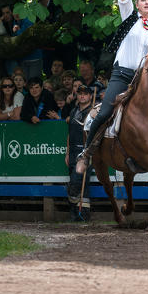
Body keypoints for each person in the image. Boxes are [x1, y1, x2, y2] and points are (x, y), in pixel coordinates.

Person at [76, 0, 148, 174]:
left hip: (143, 80)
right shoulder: (130, 18)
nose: (146, 2)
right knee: (105, 111)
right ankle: (86, 153)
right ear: (138, 4)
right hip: (122, 75)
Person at [65, 85, 94, 221]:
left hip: (85, 151)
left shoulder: (93, 112)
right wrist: (67, 152)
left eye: (85, 93)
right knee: (76, 181)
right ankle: (76, 214)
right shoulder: (73, 111)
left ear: (90, 96)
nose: (82, 96)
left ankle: (82, 212)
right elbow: (69, 134)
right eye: (80, 93)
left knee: (78, 181)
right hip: (72, 150)